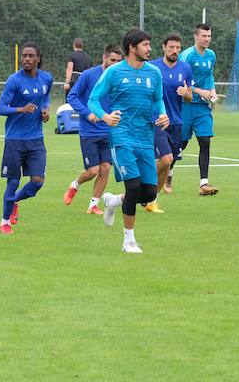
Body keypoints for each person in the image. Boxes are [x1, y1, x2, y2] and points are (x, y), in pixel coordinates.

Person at [90, 29, 169, 254]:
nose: (149, 49)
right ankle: (129, 241)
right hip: (122, 136)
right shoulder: (114, 72)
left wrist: (162, 114)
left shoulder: (154, 73)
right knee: (133, 186)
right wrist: (105, 116)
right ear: (132, 48)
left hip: (145, 137)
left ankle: (114, 201)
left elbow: (158, 101)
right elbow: (93, 99)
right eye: (145, 45)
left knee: (149, 194)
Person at [0, 43, 53, 235]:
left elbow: (45, 98)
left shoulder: (46, 79)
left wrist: (45, 111)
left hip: (36, 139)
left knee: (37, 181)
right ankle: (5, 222)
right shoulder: (14, 80)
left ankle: (14, 201)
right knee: (13, 181)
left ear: (38, 58)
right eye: (24, 56)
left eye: (30, 56)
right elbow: (0, 108)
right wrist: (21, 109)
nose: (26, 59)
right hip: (14, 140)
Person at [64, 44, 122, 214]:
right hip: (89, 132)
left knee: (105, 168)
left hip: (109, 131)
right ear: (104, 58)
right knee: (92, 170)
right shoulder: (89, 75)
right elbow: (72, 96)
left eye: (119, 61)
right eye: (112, 60)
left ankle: (93, 205)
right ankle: (75, 185)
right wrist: (87, 113)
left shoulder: (118, 77)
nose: (115, 64)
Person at [149, 34, 194, 206]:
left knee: (168, 165)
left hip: (177, 122)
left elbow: (189, 97)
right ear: (163, 47)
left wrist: (187, 94)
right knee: (166, 159)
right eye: (171, 48)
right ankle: (141, 183)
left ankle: (152, 200)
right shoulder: (152, 67)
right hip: (158, 121)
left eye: (177, 48)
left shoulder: (186, 68)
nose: (174, 51)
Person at [179, 23, 219, 195]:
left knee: (205, 141)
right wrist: (199, 91)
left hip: (202, 107)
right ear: (196, 37)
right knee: (181, 143)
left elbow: (209, 75)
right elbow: (181, 80)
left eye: (209, 36)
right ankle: (167, 173)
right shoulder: (187, 55)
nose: (207, 39)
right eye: (204, 36)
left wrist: (213, 92)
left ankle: (204, 183)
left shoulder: (211, 55)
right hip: (186, 104)